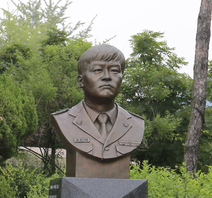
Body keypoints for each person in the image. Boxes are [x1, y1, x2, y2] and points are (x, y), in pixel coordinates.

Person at [52, 44, 144, 178]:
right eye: (97, 70)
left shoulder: (136, 124)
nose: (107, 77)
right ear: (81, 81)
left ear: (122, 78)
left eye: (114, 71)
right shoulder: (64, 120)